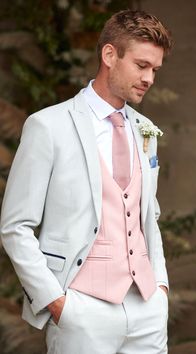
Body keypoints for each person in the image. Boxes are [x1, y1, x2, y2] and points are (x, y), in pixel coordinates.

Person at [0, 9, 172, 354]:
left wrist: (161, 288)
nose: (149, 78)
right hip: (81, 310)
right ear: (110, 55)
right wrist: (56, 301)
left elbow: (146, 216)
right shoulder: (48, 126)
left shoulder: (144, 129)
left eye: (155, 69)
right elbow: (15, 226)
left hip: (147, 309)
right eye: (141, 66)